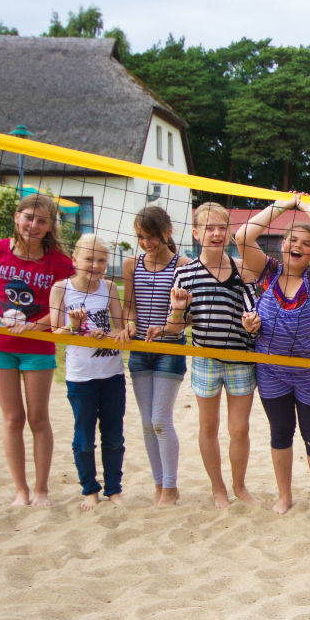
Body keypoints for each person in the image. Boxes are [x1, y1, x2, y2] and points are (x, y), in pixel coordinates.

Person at [237, 193, 310, 514]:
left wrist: (308, 208)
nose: (296, 246)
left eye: (305, 243)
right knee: (281, 432)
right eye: (290, 240)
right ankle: (284, 496)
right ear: (282, 244)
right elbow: (242, 236)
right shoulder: (267, 271)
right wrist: (283, 204)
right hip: (271, 369)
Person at [149, 201, 260, 509]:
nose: (215, 233)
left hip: (240, 359)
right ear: (196, 233)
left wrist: (252, 324)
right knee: (208, 427)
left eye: (221, 228)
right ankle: (218, 488)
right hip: (205, 360)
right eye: (209, 228)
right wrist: (179, 309)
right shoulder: (185, 274)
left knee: (239, 428)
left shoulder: (242, 269)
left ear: (228, 231)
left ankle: (239, 486)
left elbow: (253, 317)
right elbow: (175, 327)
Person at [0, 192, 74, 507]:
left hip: (37, 346)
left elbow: (63, 309)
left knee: (38, 418)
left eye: (41, 220)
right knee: (12, 418)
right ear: (17, 218)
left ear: (49, 226)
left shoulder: (59, 262)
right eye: (28, 217)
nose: (33, 224)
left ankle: (41, 490)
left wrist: (37, 326)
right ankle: (21, 491)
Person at [49, 235, 130, 511]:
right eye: (88, 259)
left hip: (112, 374)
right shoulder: (62, 288)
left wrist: (108, 334)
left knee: (114, 436)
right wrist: (75, 327)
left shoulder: (108, 287)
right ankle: (89, 489)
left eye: (100, 260)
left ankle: (114, 489)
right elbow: (56, 334)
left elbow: (120, 329)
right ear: (75, 259)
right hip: (81, 376)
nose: (94, 265)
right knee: (84, 438)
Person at [121, 205, 190, 505]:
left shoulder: (183, 264)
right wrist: (129, 324)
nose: (146, 243)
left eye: (151, 237)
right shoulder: (131, 264)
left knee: (161, 419)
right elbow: (129, 307)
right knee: (147, 422)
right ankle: (159, 484)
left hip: (169, 347)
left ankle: (171, 488)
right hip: (139, 348)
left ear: (167, 233)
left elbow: (189, 316)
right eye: (140, 237)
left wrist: (164, 328)